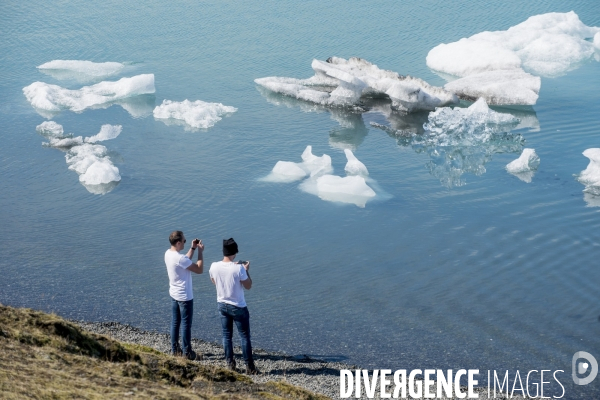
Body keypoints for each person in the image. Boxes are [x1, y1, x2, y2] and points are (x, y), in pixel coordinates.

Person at [209, 238, 258, 374]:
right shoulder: (239, 269)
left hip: (222, 304)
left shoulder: (214, 266)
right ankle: (250, 367)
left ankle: (230, 364)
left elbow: (214, 281)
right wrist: (246, 270)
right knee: (244, 336)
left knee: (226, 336)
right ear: (234, 252)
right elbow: (248, 286)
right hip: (238, 306)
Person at [164, 230, 204, 360]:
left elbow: (184, 261)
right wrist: (200, 252)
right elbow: (199, 269)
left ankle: (175, 349)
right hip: (184, 296)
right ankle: (187, 352)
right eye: (184, 241)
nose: (185, 243)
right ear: (178, 242)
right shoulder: (179, 258)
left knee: (175, 322)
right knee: (186, 324)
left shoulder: (168, 254)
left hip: (174, 294)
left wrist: (192, 247)